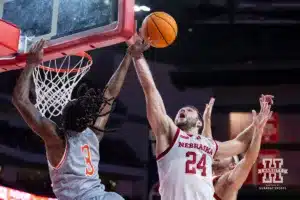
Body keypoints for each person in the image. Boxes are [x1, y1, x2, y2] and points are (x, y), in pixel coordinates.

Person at [127, 34, 271, 200]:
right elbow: (150, 89)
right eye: (182, 110)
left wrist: (256, 124)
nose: (184, 110)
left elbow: (240, 144)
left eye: (189, 110)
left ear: (198, 122)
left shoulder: (209, 145)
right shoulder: (169, 133)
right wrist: (138, 56)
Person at [12, 39, 132, 200]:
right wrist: (129, 55)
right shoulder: (93, 135)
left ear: (65, 115)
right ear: (88, 121)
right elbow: (110, 94)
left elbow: (20, 100)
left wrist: (31, 63)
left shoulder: (58, 141)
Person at [212, 95, 273, 200]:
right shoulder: (202, 175)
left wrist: (258, 131)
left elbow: (248, 161)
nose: (219, 155)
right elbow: (238, 141)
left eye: (225, 155)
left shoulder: (227, 182)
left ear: (232, 166)